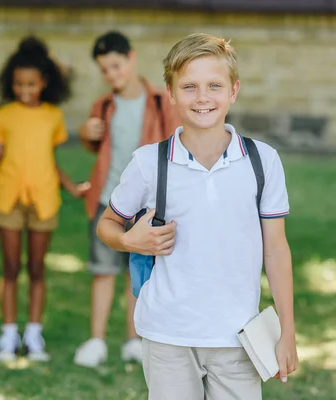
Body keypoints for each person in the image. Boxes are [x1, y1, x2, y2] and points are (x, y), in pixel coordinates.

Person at [96, 33, 299, 399]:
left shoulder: (262, 161)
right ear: (171, 93)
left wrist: (288, 331)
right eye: (189, 87)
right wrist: (128, 239)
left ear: (233, 91)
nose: (202, 97)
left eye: (214, 86)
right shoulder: (149, 162)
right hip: (167, 336)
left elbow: (276, 251)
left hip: (238, 336)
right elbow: (107, 224)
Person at [74, 31, 181, 368]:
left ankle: (133, 340)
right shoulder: (104, 105)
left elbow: (175, 146)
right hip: (108, 201)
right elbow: (98, 147)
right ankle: (96, 340)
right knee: (103, 271)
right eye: (105, 70)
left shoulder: (161, 102)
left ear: (132, 58)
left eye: (116, 66)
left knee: (137, 274)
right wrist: (85, 135)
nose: (112, 75)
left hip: (147, 206)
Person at [0, 36, 88, 362]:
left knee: (37, 268)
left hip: (44, 200)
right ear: (10, 84)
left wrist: (71, 187)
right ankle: (8, 334)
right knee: (11, 268)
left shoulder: (52, 116)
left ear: (43, 83)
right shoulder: (3, 115)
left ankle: (33, 333)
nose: (25, 90)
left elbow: (49, 160)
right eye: (18, 84)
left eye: (31, 83)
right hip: (8, 200)